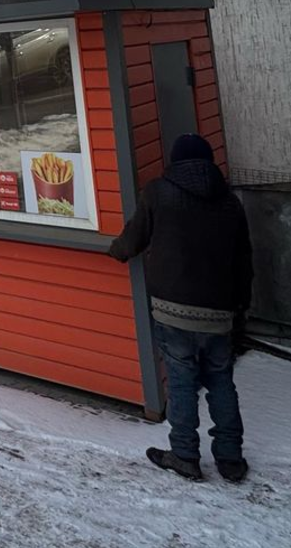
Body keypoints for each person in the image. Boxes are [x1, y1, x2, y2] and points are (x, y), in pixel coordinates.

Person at [108, 133, 254, 484]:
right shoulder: (230, 202)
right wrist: (240, 307)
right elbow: (244, 260)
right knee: (221, 382)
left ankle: (185, 454)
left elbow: (135, 236)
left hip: (173, 309)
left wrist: (117, 250)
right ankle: (230, 458)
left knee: (181, 381)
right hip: (219, 311)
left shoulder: (159, 192)